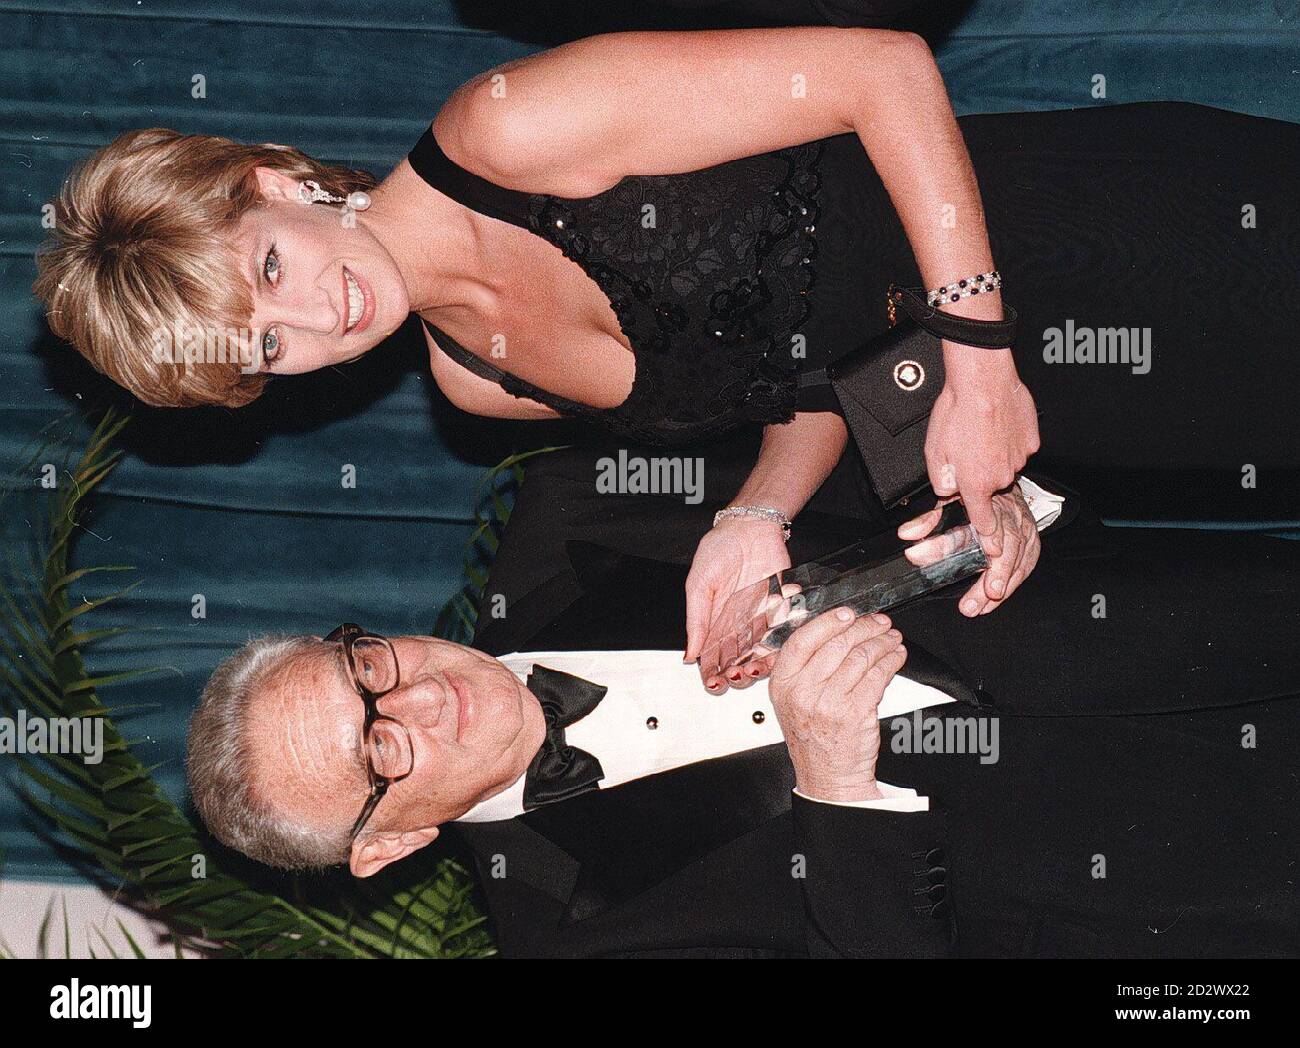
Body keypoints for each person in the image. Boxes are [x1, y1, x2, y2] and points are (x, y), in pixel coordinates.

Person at [33, 25, 1041, 660]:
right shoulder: (476, 383)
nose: (312, 320)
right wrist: (753, 516)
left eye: (266, 271)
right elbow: (809, 389)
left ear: (274, 185)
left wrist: (981, 356)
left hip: (1072, 239)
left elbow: (882, 68)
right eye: (263, 350)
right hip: (1029, 413)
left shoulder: (502, 135)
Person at [185, 473, 1300, 957]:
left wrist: (1000, 494)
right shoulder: (578, 942)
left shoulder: (581, 507)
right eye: (385, 742)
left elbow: (871, 390)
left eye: (366, 666)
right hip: (1211, 879)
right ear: (388, 843)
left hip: (1218, 618)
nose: (421, 691)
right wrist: (835, 789)